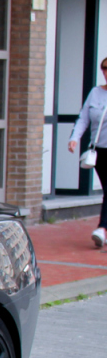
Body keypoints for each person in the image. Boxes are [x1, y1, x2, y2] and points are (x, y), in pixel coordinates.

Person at [69, 56, 107, 248]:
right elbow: (84, 118)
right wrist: (74, 138)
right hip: (99, 151)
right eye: (105, 69)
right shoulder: (95, 93)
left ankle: (102, 228)